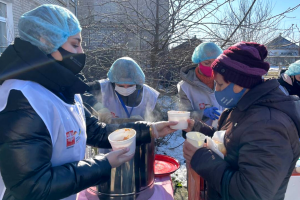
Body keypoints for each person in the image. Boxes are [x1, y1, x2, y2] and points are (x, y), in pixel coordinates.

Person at [0, 5, 176, 200]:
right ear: (46, 41)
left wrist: (151, 130)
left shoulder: (62, 89)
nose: (82, 51)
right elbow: (32, 186)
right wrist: (104, 164)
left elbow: (95, 131)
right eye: (75, 44)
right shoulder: (22, 97)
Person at [183, 42, 300, 200]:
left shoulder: (269, 125)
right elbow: (229, 141)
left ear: (240, 84)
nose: (216, 89)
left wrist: (201, 158)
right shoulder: (243, 107)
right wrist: (198, 128)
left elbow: (251, 193)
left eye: (220, 84)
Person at [82, 57, 160, 123]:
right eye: (120, 85)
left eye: (130, 85)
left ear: (137, 83)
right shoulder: (102, 87)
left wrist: (145, 122)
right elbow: (79, 92)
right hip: (108, 137)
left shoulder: (149, 94)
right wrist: (98, 107)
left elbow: (159, 120)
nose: (125, 88)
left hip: (140, 138)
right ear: (113, 81)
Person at [177, 42, 223, 125]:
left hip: (221, 133)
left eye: (215, 63)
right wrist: (201, 113)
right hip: (197, 134)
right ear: (199, 62)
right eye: (206, 63)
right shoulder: (185, 87)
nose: (211, 66)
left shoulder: (224, 81)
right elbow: (184, 115)